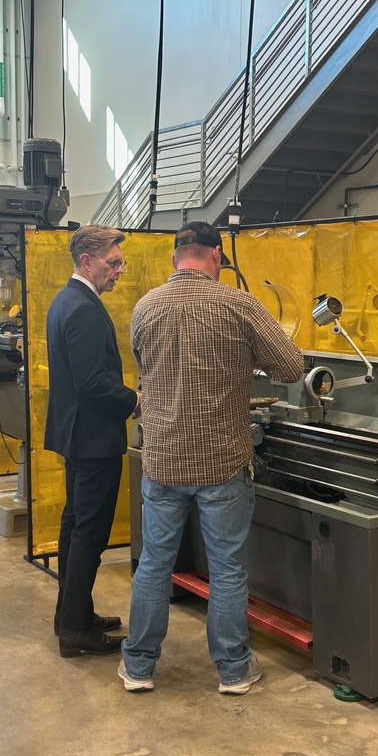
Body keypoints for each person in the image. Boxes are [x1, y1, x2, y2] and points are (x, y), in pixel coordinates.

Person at [119, 221, 304, 694]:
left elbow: (147, 368)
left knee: (155, 564)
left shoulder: (145, 306)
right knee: (226, 568)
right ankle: (233, 670)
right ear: (217, 257)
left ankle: (138, 666)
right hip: (221, 461)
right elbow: (290, 367)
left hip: (161, 459)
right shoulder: (237, 303)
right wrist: (247, 359)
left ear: (175, 258)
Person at [44, 224, 141, 658]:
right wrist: (133, 400)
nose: (118, 270)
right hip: (93, 437)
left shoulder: (66, 300)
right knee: (90, 534)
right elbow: (91, 383)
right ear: (87, 261)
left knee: (74, 526)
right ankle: (76, 630)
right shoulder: (82, 307)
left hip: (76, 434)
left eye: (119, 262)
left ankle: (71, 613)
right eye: (113, 262)